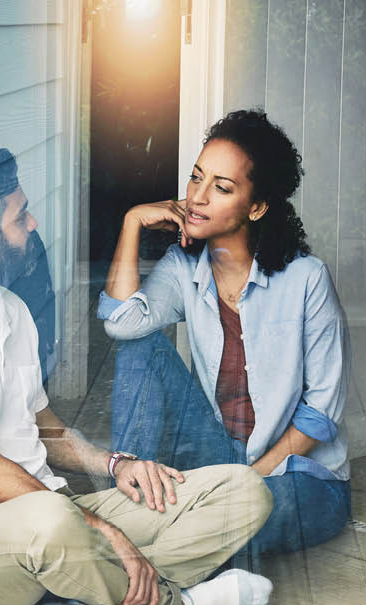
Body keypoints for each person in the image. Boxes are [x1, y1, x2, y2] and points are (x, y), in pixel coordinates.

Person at [0, 147, 275, 605]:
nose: (33, 223)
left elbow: (45, 428)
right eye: (20, 215)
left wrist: (116, 465)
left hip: (52, 510)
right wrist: (103, 530)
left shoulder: (10, 311)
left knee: (242, 492)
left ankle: (75, 601)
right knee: (55, 523)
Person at [100, 110, 351, 562]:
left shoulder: (306, 279)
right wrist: (132, 222)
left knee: (245, 520)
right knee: (141, 346)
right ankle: (129, 488)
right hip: (217, 454)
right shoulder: (184, 269)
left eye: (222, 187)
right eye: (197, 178)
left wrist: (248, 481)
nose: (196, 197)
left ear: (256, 207)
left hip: (295, 475)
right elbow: (122, 323)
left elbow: (321, 411)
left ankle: (140, 569)